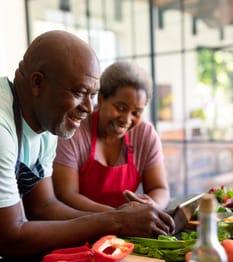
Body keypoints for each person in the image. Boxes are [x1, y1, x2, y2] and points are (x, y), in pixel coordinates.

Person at [0, 30, 175, 258]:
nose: (89, 108)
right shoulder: (3, 128)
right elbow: (9, 237)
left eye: (92, 95)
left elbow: (43, 207)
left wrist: (120, 217)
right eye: (80, 92)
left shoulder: (48, 125)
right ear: (37, 83)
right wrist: (116, 221)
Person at [53, 61, 170, 212]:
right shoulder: (75, 131)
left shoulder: (145, 134)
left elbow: (159, 188)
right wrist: (116, 217)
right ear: (101, 100)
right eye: (120, 108)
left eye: (136, 113)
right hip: (80, 226)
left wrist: (153, 206)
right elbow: (66, 194)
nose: (127, 119)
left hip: (128, 229)